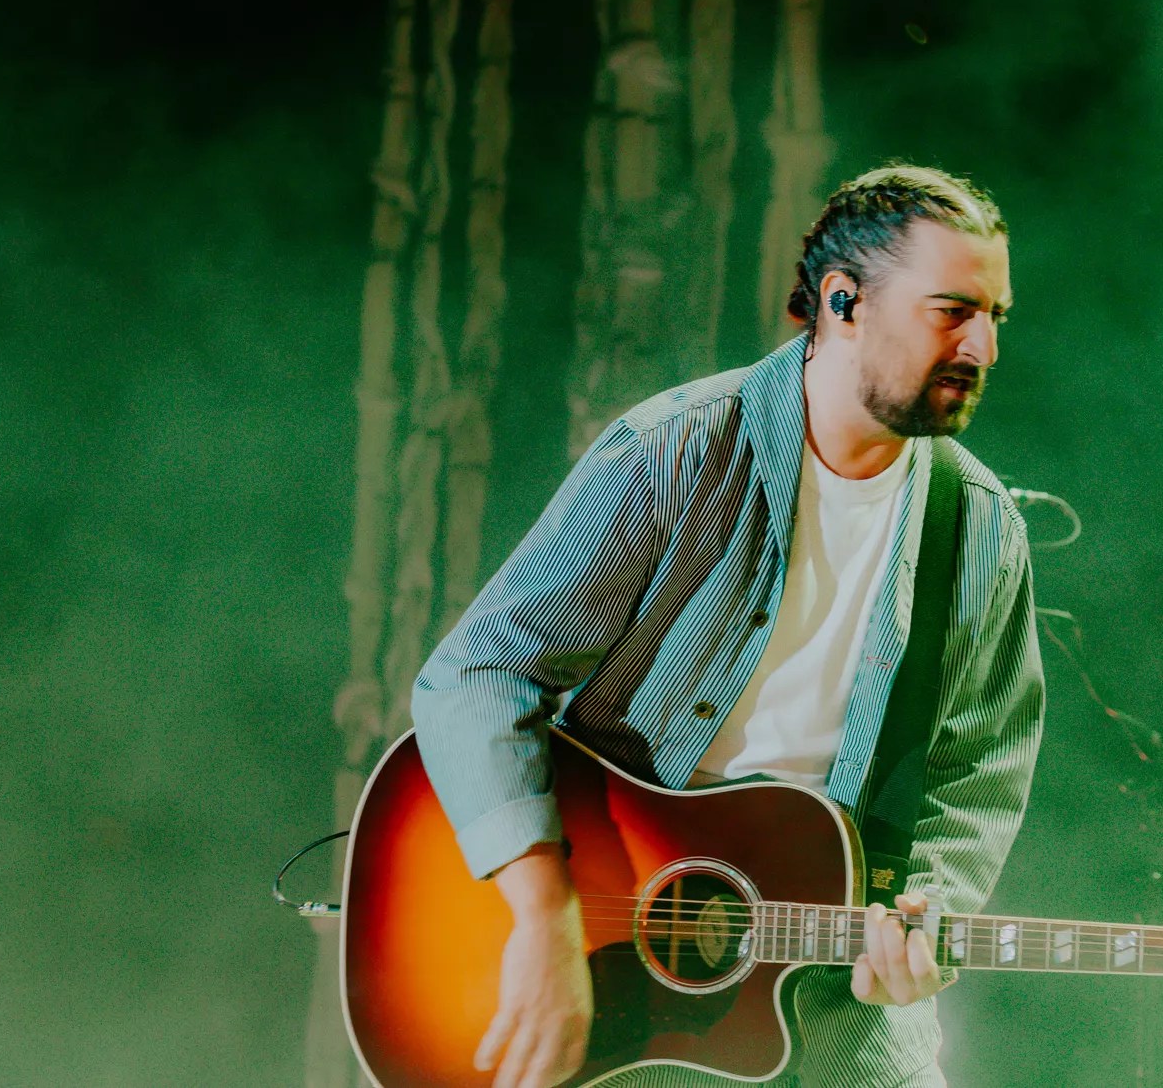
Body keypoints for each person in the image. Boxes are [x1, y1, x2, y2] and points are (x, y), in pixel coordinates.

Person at [412, 164, 1045, 1088]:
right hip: (624, 974)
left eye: (995, 316)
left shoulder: (980, 527)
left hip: (840, 1004)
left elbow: (978, 768)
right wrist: (543, 918)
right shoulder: (675, 451)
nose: (983, 346)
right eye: (953, 311)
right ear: (844, 302)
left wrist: (925, 910)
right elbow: (478, 674)